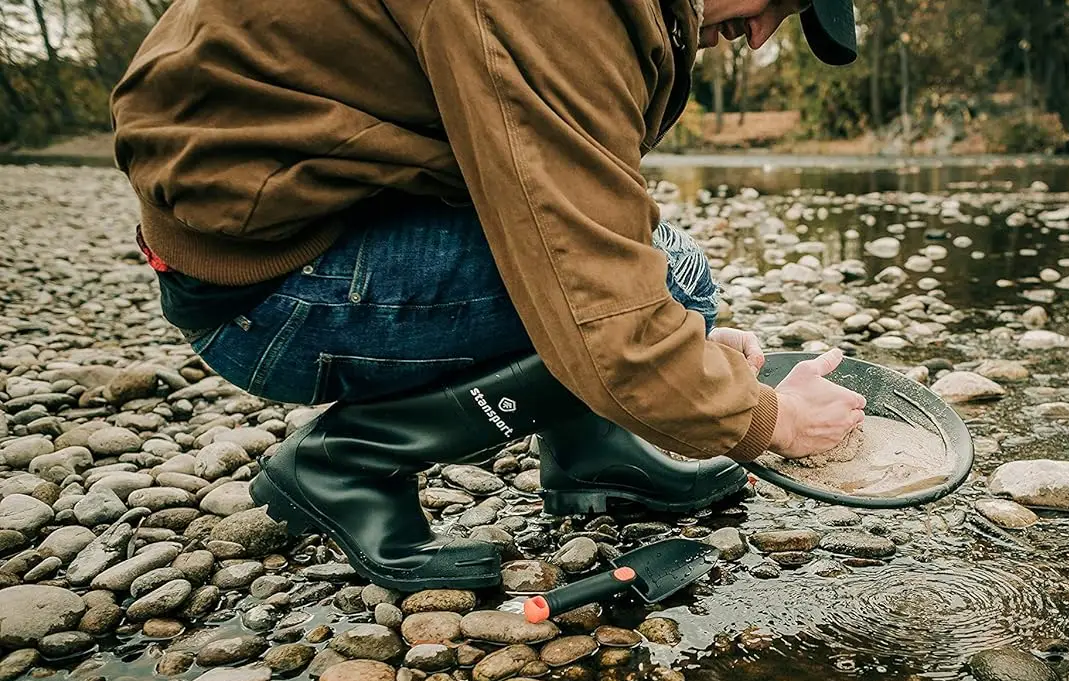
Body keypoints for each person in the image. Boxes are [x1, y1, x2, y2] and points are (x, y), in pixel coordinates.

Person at [110, 0, 867, 592]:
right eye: (782, 2)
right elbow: (598, 297)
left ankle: (593, 456)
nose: (762, 36)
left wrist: (682, 345)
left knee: (667, 272)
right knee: (665, 283)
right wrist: (771, 418)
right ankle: (347, 466)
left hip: (299, 225)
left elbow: (578, 202)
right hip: (268, 292)